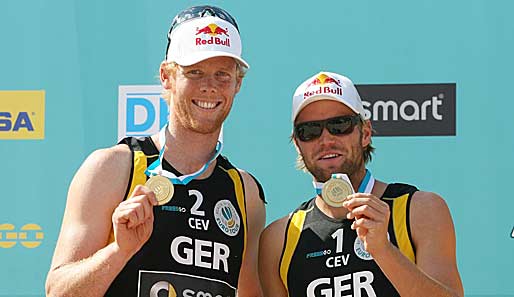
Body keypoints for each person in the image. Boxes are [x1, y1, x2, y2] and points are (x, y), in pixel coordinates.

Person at [46, 5, 266, 297]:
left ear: (237, 83)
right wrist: (119, 251)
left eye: (222, 74)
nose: (210, 87)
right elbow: (58, 291)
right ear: (167, 76)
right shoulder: (112, 168)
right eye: (195, 72)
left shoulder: (245, 192)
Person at [259, 71, 464, 296]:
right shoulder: (279, 238)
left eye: (340, 125)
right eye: (309, 131)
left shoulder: (419, 209)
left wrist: (384, 251)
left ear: (365, 133)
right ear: (298, 144)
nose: (326, 140)